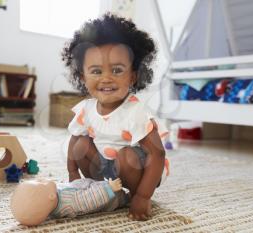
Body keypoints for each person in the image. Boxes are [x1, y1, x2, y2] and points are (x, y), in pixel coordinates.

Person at [61, 13, 169, 221]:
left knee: (126, 157)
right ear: (83, 77)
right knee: (81, 143)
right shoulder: (86, 109)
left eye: (117, 70)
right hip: (105, 166)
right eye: (96, 71)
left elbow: (157, 155)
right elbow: (75, 141)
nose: (106, 78)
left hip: (138, 169)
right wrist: (73, 175)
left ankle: (132, 195)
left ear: (133, 76)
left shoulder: (135, 112)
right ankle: (107, 191)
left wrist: (143, 196)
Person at [10, 178, 128, 226]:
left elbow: (65, 186)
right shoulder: (72, 203)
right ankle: (130, 198)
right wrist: (109, 188)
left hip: (93, 184)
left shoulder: (52, 201)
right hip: (113, 196)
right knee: (128, 193)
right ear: (51, 196)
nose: (42, 180)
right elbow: (92, 198)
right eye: (41, 183)